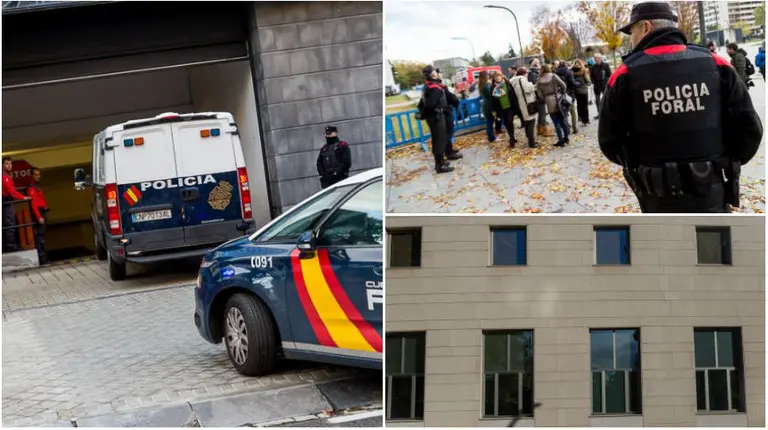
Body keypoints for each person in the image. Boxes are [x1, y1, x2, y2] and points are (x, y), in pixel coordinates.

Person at [599, 1, 763, 213]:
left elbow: (609, 140)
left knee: (665, 244)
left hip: (656, 194)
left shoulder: (624, 75)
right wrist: (720, 161)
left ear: (646, 27)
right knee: (712, 244)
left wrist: (642, 165)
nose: (632, 41)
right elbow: (750, 128)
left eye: (632, 32)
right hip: (710, 190)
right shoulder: (716, 63)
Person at [421, 65, 454, 174]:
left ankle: (440, 162)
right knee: (440, 140)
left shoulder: (428, 85)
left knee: (437, 140)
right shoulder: (434, 88)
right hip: (436, 117)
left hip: (433, 117)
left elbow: (423, 103)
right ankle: (440, 165)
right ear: (433, 74)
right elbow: (430, 105)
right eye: (435, 71)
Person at [535, 64, 570, 147]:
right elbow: (563, 85)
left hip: (548, 101)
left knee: (556, 122)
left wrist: (544, 98)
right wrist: (562, 92)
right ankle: (566, 138)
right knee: (562, 120)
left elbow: (539, 94)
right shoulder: (553, 76)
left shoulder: (539, 80)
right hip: (558, 99)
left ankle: (561, 141)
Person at [2, 156, 28, 253]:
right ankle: (10, 246)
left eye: (10, 163)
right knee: (10, 223)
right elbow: (11, 191)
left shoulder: (6, 175)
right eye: (7, 163)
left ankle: (9, 245)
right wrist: (23, 197)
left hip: (6, 201)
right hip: (6, 202)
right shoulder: (4, 177)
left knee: (10, 223)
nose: (9, 165)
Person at [435, 68, 463, 159]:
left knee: (448, 132)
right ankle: (449, 153)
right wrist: (455, 99)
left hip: (446, 110)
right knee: (448, 132)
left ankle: (449, 149)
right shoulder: (438, 85)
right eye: (440, 73)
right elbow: (448, 96)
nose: (441, 74)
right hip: (445, 111)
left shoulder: (439, 84)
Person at [509, 67, 538, 148]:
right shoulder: (522, 79)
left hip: (519, 105)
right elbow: (528, 89)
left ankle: (529, 138)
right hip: (527, 104)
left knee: (526, 122)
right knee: (531, 122)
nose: (527, 75)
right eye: (527, 73)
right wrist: (531, 84)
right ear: (524, 73)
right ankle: (531, 143)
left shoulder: (512, 81)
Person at [26, 167, 49, 264]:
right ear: (32, 175)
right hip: (39, 213)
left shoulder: (37, 186)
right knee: (40, 237)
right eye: (36, 175)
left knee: (42, 236)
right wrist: (39, 216)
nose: (38, 176)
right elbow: (33, 204)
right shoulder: (32, 187)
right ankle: (42, 258)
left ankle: (43, 257)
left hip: (42, 212)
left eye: (39, 174)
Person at [490, 71, 519, 147]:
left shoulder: (507, 83)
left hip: (510, 107)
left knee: (510, 121)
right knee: (506, 123)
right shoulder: (493, 87)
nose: (497, 78)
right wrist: (494, 110)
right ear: (494, 79)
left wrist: (516, 106)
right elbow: (492, 100)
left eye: (498, 76)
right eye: (495, 77)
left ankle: (512, 139)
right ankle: (512, 137)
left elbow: (513, 94)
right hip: (501, 109)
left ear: (502, 76)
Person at [528, 58, 553, 137]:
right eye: (535, 62)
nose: (538, 63)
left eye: (538, 62)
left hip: (540, 95)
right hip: (538, 96)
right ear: (532, 64)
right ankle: (545, 131)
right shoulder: (532, 73)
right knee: (542, 114)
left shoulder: (536, 72)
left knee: (541, 113)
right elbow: (534, 85)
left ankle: (540, 129)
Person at [555, 60, 581, 133]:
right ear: (565, 64)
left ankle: (567, 129)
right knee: (573, 112)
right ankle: (575, 128)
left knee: (565, 113)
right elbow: (572, 83)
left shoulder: (556, 73)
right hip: (569, 95)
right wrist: (578, 84)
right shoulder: (568, 72)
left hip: (560, 95)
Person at [589, 52, 612, 119]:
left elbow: (610, 74)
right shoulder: (593, 67)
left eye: (596, 58)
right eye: (595, 58)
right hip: (597, 86)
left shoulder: (605, 65)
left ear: (600, 58)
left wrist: (606, 81)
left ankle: (609, 112)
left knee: (606, 99)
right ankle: (599, 114)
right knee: (597, 101)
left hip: (604, 85)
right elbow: (591, 76)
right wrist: (593, 82)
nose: (595, 59)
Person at [478, 71, 497, 143]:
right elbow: (490, 94)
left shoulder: (481, 84)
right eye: (487, 75)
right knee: (490, 122)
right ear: (485, 76)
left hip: (485, 105)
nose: (488, 76)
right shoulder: (486, 84)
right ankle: (491, 137)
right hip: (488, 105)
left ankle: (491, 136)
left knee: (489, 121)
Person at [572, 59, 592, 126]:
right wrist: (589, 82)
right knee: (585, 105)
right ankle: (586, 119)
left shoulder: (572, 71)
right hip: (584, 90)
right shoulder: (583, 70)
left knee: (579, 105)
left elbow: (572, 81)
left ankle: (581, 118)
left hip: (577, 91)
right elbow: (586, 79)